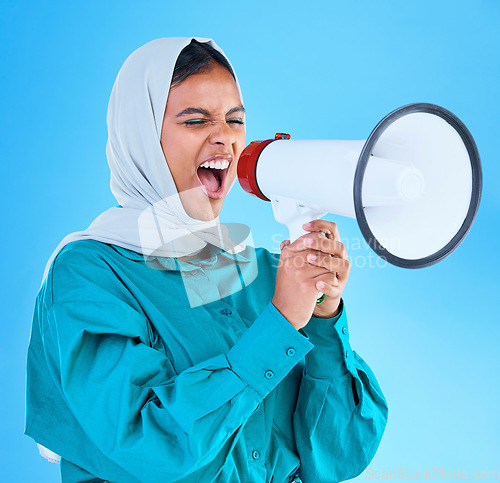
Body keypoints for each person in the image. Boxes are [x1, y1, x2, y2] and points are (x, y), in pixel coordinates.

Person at [25, 37, 388, 483]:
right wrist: (279, 322)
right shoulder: (91, 274)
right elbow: (150, 443)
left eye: (235, 120)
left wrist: (323, 314)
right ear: (141, 136)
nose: (224, 137)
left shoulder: (262, 273)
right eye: (195, 120)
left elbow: (341, 453)